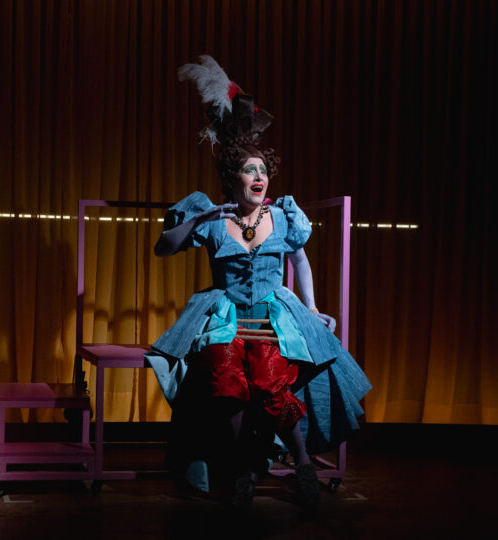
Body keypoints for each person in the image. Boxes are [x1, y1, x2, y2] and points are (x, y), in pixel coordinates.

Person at [145, 56, 371, 507]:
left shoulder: (283, 215)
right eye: (251, 170)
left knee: (271, 381)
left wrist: (311, 307)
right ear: (233, 176)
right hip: (226, 315)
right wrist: (201, 219)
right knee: (227, 380)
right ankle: (239, 467)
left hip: (272, 315)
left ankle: (302, 463)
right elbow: (163, 248)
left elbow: (300, 261)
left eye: (264, 170)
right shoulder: (211, 216)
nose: (260, 177)